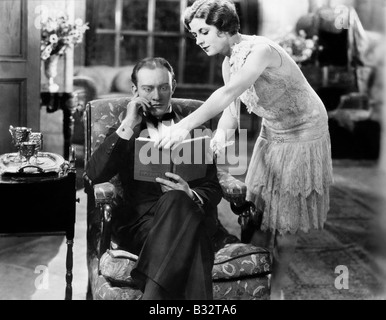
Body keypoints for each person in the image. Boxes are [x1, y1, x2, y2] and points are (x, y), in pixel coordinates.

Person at [156, 0, 334, 300]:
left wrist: (183, 126)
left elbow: (227, 93)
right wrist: (218, 140)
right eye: (194, 33)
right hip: (273, 129)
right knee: (257, 214)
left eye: (203, 31)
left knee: (287, 222)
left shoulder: (260, 51)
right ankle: (256, 281)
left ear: (224, 27)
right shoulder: (229, 62)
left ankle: (276, 291)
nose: (198, 40)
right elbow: (231, 111)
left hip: (305, 131)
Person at [85, 57, 223, 300]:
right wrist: (128, 124)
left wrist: (190, 194)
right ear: (135, 90)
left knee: (178, 200)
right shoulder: (126, 128)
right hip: (142, 223)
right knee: (195, 237)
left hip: (187, 214)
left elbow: (213, 187)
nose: (156, 95)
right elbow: (95, 174)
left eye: (163, 87)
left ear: (173, 87)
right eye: (148, 89)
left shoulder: (195, 128)